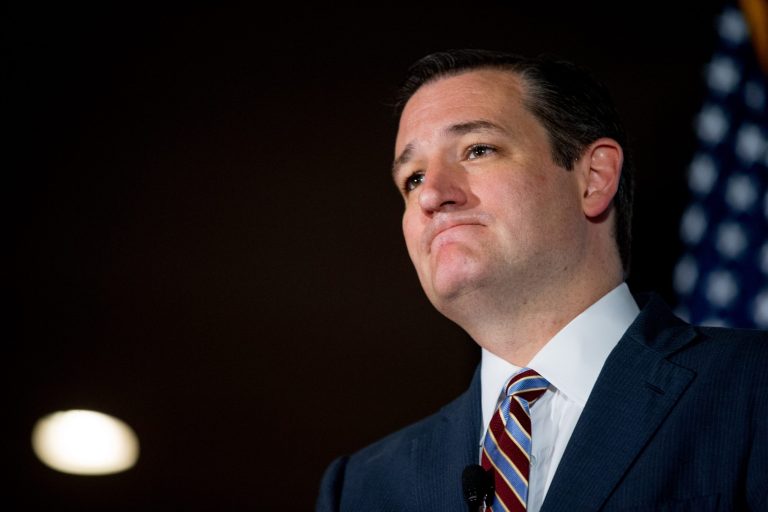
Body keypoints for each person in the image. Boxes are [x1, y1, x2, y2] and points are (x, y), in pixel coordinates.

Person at [316, 49, 767, 511]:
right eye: (412, 179)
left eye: (477, 149)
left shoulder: (753, 389)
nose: (431, 195)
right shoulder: (362, 489)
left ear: (593, 178)